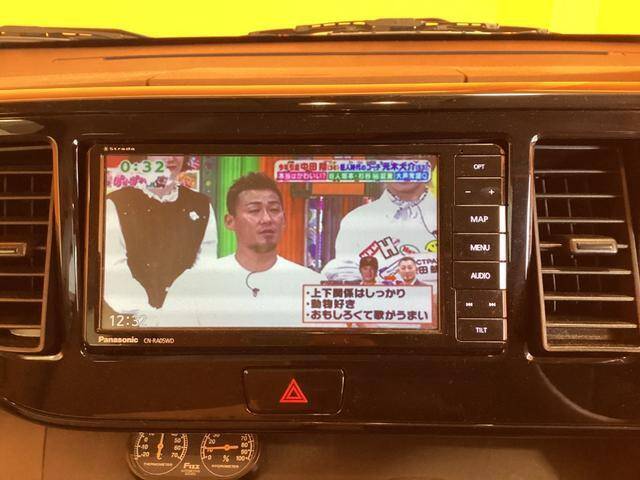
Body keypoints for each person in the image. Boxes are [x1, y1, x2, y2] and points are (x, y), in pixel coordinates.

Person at [160, 172, 322, 328]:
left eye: (274, 210)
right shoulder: (193, 285)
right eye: (254, 210)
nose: (267, 219)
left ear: (284, 220)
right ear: (230, 221)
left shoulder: (313, 285)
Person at [103, 155, 218, 314]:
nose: (171, 157)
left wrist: (179, 311)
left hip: (185, 314)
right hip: (131, 316)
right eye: (161, 150)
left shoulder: (202, 205)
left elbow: (205, 267)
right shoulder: (116, 203)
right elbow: (114, 273)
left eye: (177, 150)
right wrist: (151, 315)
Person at [322, 178, 438, 285]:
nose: (402, 171)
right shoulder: (356, 220)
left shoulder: (445, 214)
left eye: (411, 163)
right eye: (394, 164)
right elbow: (345, 275)